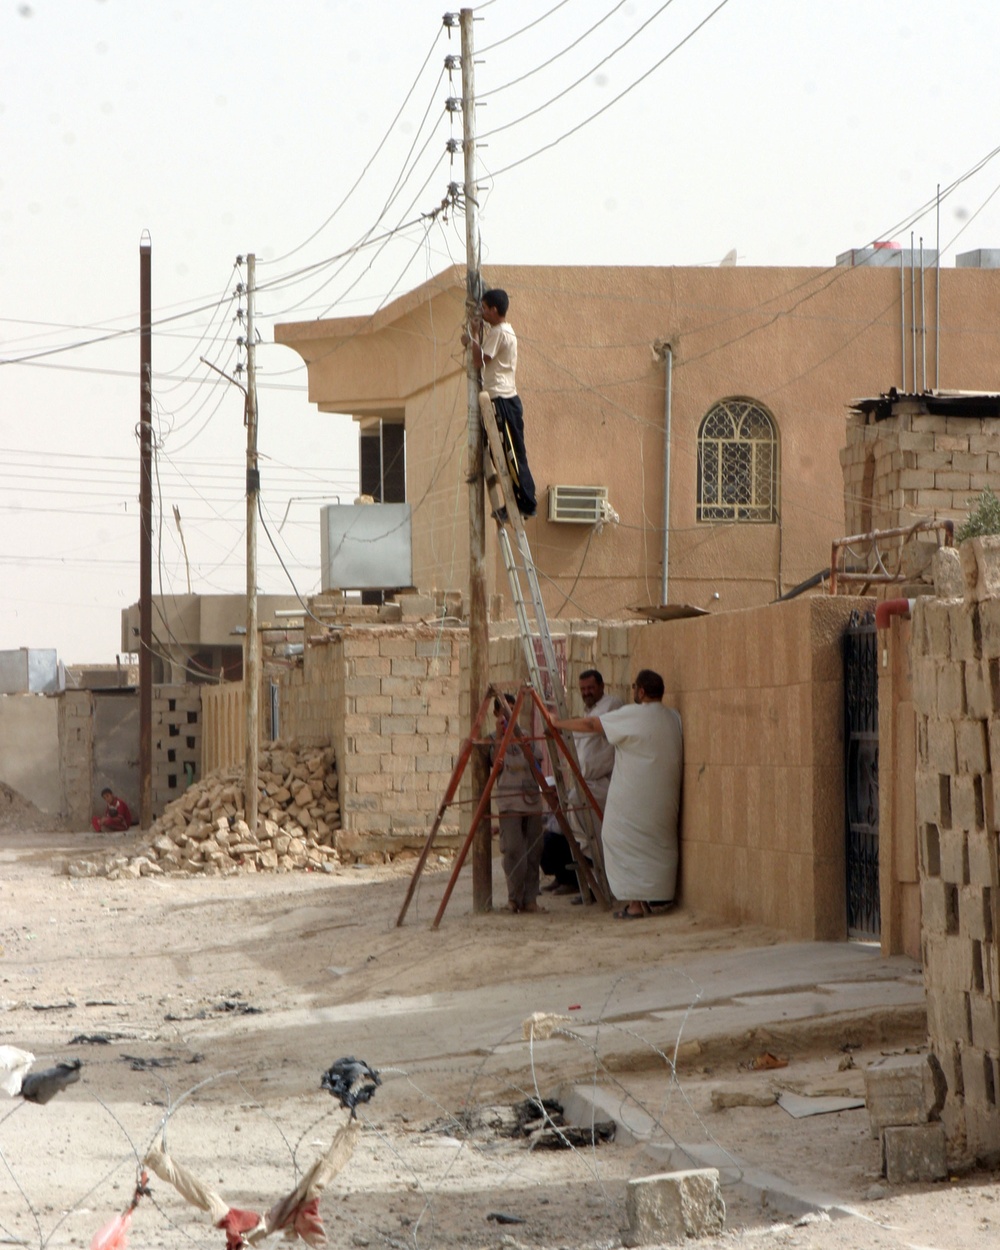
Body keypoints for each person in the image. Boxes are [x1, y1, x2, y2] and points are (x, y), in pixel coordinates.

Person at [548, 669, 681, 919]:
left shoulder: (632, 713)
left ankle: (635, 904)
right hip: (663, 799)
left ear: (640, 691)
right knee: (653, 848)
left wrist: (557, 723)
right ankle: (654, 896)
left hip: (635, 799)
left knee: (622, 841)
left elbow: (592, 725)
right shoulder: (672, 717)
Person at [461, 288, 537, 518]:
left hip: (502, 399)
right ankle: (516, 502)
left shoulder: (499, 333)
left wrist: (474, 335)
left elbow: (478, 360)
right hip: (502, 398)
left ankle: (526, 502)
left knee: (510, 455)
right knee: (501, 455)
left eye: (485, 308)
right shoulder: (502, 331)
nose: (483, 313)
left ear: (495, 310)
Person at [490, 695, 544, 913]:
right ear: (496, 714)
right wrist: (502, 737)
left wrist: (519, 739)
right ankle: (514, 899)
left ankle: (530, 899)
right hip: (509, 802)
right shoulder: (492, 738)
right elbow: (495, 764)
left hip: (530, 800)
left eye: (512, 710)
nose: (508, 715)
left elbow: (536, 762)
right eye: (504, 711)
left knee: (534, 851)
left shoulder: (525, 738)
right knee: (513, 851)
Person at [568, 669, 623, 864]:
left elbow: (593, 725)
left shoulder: (611, 705)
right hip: (587, 781)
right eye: (583, 689)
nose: (586, 693)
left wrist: (559, 724)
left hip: (604, 782)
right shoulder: (587, 710)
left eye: (591, 688)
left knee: (596, 835)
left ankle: (594, 863)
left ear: (601, 687)